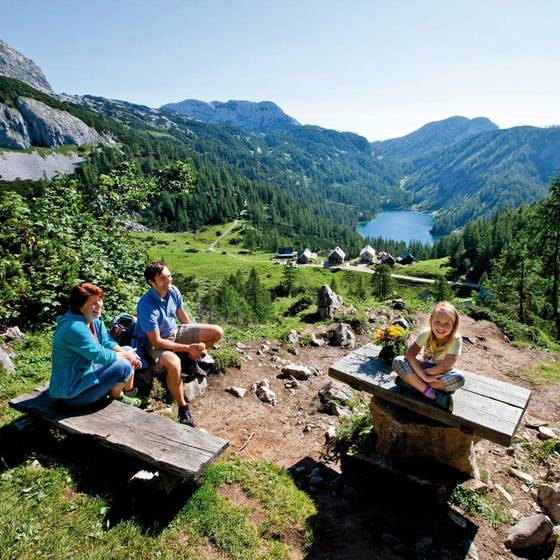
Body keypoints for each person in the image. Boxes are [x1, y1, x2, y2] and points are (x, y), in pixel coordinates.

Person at [136, 261, 223, 427]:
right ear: (151, 282)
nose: (168, 280)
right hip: (155, 344)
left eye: (169, 276)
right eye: (162, 278)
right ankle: (183, 408)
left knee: (217, 331)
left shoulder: (173, 291)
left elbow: (183, 317)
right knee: (174, 364)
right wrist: (187, 348)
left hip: (175, 332)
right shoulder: (146, 305)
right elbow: (156, 341)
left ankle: (190, 361)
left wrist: (196, 343)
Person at [49, 283, 141, 407]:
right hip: (71, 394)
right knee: (123, 365)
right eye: (93, 303)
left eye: (100, 300)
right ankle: (116, 398)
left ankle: (126, 393)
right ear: (80, 306)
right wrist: (126, 356)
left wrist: (128, 354)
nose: (99, 305)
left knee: (128, 350)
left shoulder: (93, 319)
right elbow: (99, 355)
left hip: (86, 373)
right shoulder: (74, 327)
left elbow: (107, 342)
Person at [392, 301, 465, 411]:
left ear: (453, 326)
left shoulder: (456, 339)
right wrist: (425, 377)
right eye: (438, 321)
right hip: (424, 368)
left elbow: (446, 366)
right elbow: (410, 355)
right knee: (398, 360)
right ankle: (428, 391)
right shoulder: (427, 333)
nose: (441, 327)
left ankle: (413, 383)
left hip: (440, 373)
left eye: (447, 324)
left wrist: (421, 374)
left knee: (459, 378)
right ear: (431, 320)